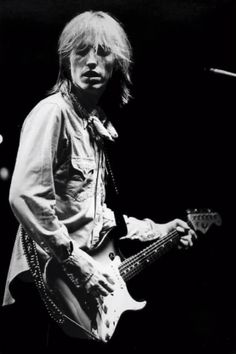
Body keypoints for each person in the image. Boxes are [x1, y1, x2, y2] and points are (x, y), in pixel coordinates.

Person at [2, 10, 196, 353]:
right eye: (81, 51)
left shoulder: (95, 127)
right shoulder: (54, 112)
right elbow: (25, 197)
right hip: (47, 284)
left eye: (103, 52)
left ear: (116, 65)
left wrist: (160, 230)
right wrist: (81, 266)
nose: (91, 61)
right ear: (67, 60)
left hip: (77, 292)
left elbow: (97, 217)